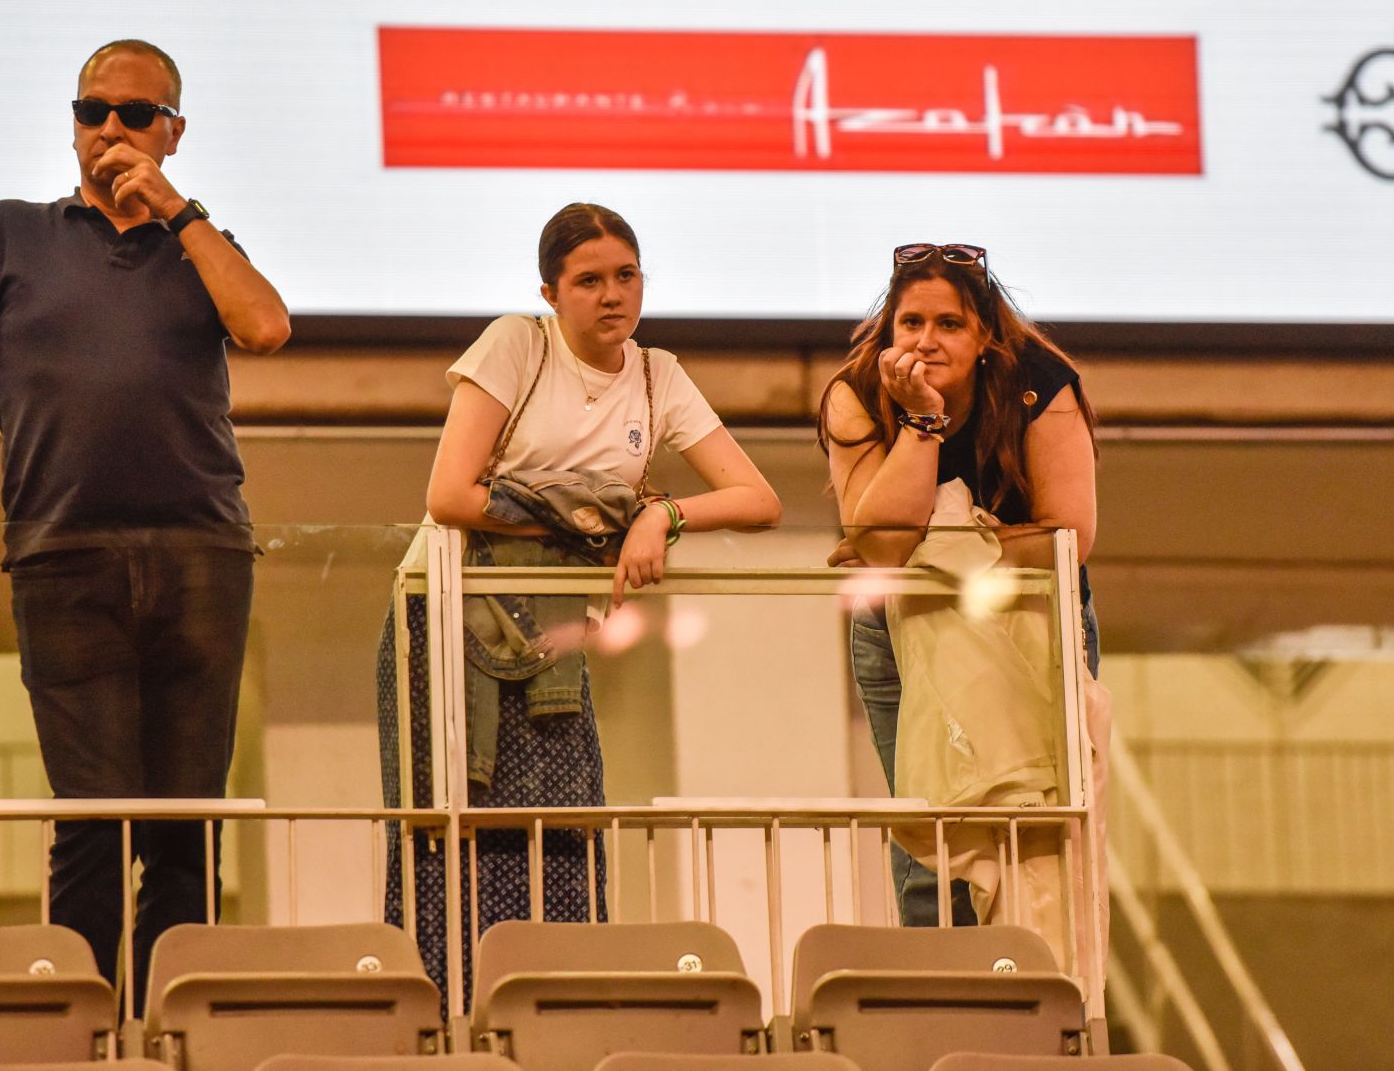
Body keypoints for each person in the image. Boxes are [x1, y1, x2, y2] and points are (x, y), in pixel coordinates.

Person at [0, 39, 290, 995]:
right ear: (71, 124)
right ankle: (88, 1028)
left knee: (188, 825)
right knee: (92, 819)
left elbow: (266, 328)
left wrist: (178, 212)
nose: (110, 129)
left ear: (173, 131)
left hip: (202, 554)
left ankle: (177, 1030)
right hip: (62, 556)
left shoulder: (200, 241)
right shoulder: (9, 233)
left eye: (136, 114)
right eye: (92, 110)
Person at [378, 201, 780, 1002]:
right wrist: (592, 519)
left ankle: (553, 1011)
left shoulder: (658, 375)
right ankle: (447, 1020)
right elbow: (450, 495)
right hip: (448, 615)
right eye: (588, 280)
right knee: (449, 826)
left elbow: (757, 499)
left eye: (626, 275)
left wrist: (661, 517)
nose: (612, 295)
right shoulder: (516, 344)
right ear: (550, 293)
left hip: (556, 634)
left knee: (564, 820)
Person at [818, 242, 1099, 927]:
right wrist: (922, 420)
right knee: (930, 836)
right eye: (911, 323)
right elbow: (884, 547)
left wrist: (929, 546)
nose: (927, 340)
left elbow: (1068, 540)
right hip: (901, 628)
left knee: (1035, 822)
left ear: (984, 336)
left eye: (948, 324)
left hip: (1032, 622)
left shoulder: (1039, 383)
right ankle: (935, 980)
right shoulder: (857, 392)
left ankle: (1035, 977)